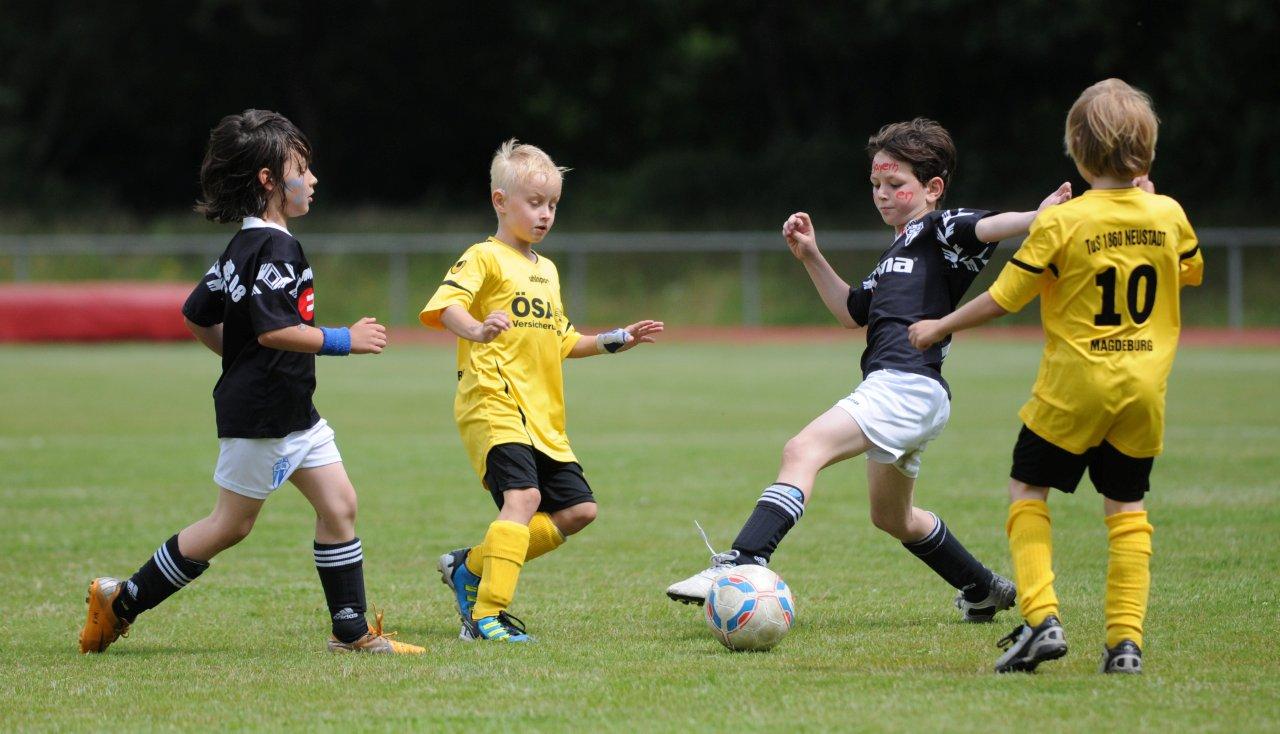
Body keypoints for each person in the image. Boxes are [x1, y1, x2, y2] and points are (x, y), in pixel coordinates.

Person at [667, 118, 1072, 626]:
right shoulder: (896, 253)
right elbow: (851, 312)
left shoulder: (940, 228)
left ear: (932, 188)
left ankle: (742, 560)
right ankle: (983, 588)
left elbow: (988, 227)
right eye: (876, 183)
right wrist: (811, 256)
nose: (882, 194)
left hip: (904, 384)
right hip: (911, 390)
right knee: (892, 517)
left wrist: (1039, 215)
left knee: (802, 450)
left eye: (895, 184)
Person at [78, 109, 423, 655]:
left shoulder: (244, 245)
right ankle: (122, 600)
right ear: (269, 180)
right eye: (301, 170)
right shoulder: (277, 248)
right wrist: (343, 339)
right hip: (262, 416)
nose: (312, 179)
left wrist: (238, 360)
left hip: (294, 411)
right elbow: (274, 329)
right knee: (229, 526)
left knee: (339, 505)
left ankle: (350, 633)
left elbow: (197, 313)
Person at [908, 79, 1204, 673]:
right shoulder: (1168, 213)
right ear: (1146, 149)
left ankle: (1042, 620)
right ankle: (1125, 645)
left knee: (1028, 491)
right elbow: (1189, 272)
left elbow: (1005, 297)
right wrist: (1149, 204)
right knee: (1127, 509)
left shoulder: (1064, 222)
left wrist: (940, 325)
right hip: (1143, 392)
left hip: (1074, 388)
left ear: (1077, 149)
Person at [421, 139, 663, 642]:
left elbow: (564, 340)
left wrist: (615, 340)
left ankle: (470, 566)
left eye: (553, 203)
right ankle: (485, 616)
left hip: (543, 417)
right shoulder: (484, 257)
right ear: (500, 201)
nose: (546, 213)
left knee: (578, 511)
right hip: (493, 400)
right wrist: (477, 329)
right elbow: (446, 307)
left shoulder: (546, 270)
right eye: (535, 202)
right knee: (524, 497)